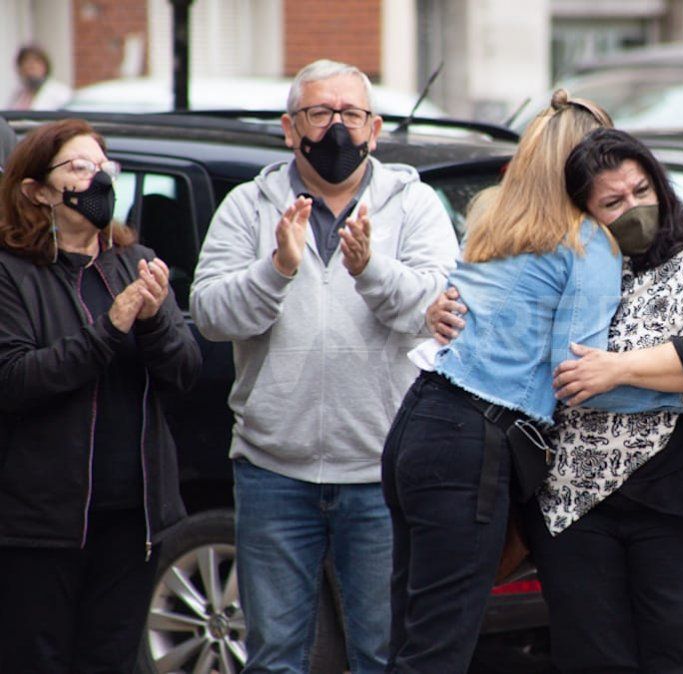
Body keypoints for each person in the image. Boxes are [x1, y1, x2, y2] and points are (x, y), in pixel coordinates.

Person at [386, 93, 683, 673]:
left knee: (409, 633)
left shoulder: (492, 219)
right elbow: (579, 375)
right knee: (438, 649)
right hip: (473, 441)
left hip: (416, 422)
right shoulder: (586, 243)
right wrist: (682, 391)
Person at [190, 59, 458, 673]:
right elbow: (210, 314)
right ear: (290, 128)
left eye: (352, 114)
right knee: (275, 655)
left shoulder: (414, 205)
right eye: (319, 113)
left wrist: (371, 270)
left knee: (386, 654)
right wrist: (275, 270)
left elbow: (440, 308)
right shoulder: (247, 208)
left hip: (382, 471)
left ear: (375, 127)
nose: (337, 128)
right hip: (272, 472)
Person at [532, 128, 683, 673]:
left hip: (679, 499)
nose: (634, 207)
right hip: (577, 502)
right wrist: (679, 382)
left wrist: (617, 369)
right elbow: (548, 365)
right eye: (613, 202)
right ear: (585, 212)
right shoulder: (565, 266)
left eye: (641, 191)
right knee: (593, 659)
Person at [0, 119, 201, 672]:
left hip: (131, 517)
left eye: (104, 167)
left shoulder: (133, 263)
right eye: (79, 168)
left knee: (110, 658)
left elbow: (184, 373)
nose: (98, 180)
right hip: (41, 521)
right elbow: (16, 380)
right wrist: (108, 330)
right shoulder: (13, 272)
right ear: (37, 191)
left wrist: (156, 320)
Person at [8, 45, 71, 111]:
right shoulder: (18, 95)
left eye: (36, 61)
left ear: (45, 66)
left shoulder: (60, 92)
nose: (31, 66)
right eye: (26, 61)